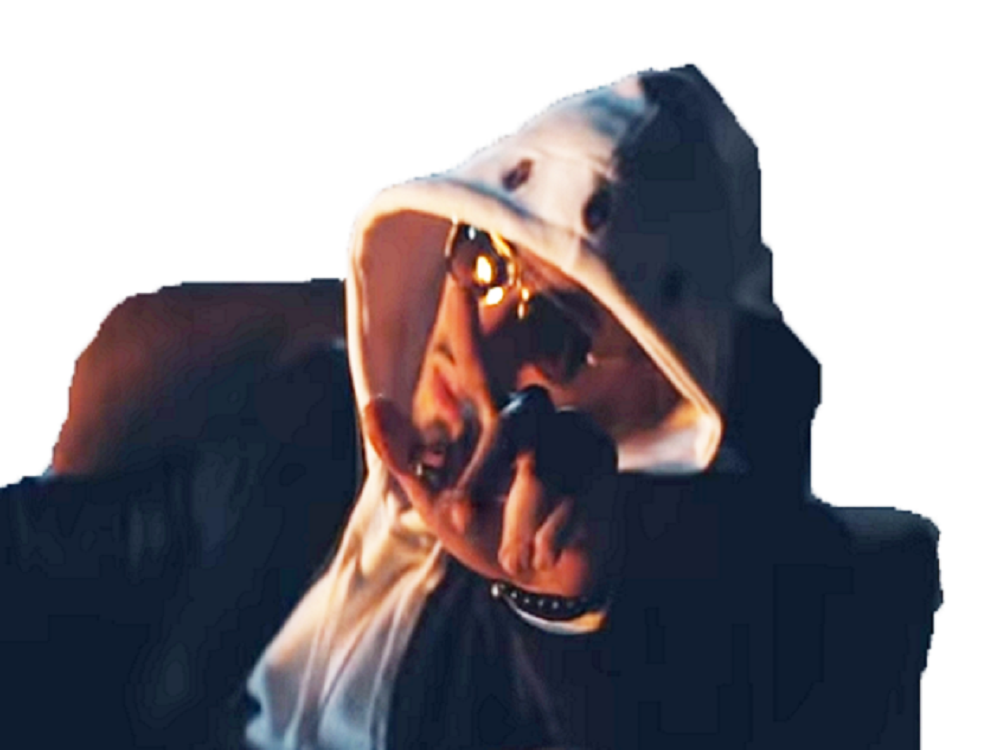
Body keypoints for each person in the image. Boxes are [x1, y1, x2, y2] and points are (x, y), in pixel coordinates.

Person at [243, 66, 934, 749]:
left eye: (557, 331)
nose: (476, 337)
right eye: (485, 257)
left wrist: (557, 606)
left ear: (655, 398)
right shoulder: (303, 421)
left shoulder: (709, 578)